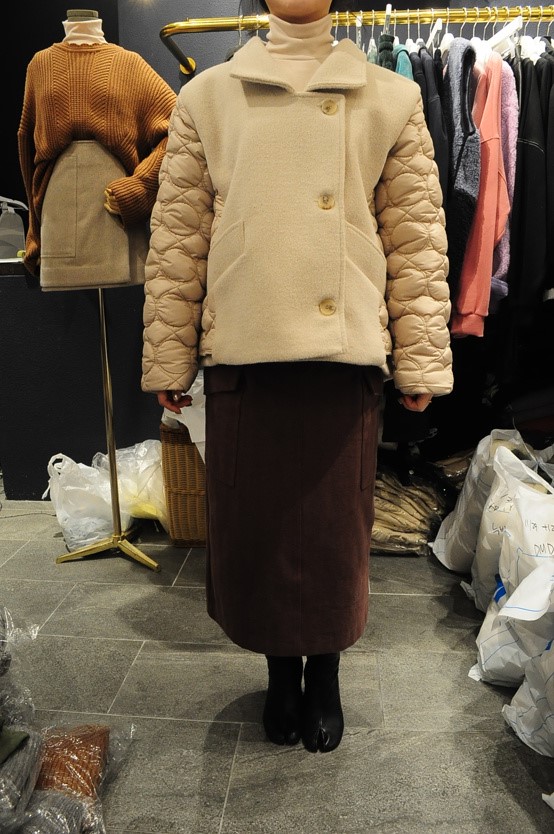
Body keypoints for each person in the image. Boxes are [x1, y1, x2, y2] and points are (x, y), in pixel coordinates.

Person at [141, 0, 453, 753]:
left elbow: (414, 239)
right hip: (246, 354)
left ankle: (327, 673)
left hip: (340, 359)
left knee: (333, 533)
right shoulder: (208, 97)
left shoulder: (390, 96)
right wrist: (169, 354)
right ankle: (281, 670)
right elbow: (179, 237)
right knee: (257, 530)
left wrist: (421, 355)